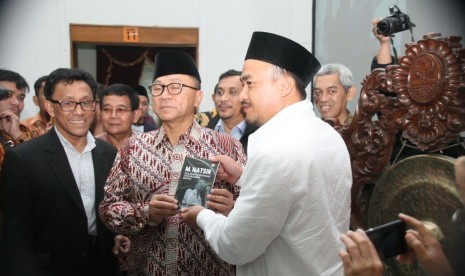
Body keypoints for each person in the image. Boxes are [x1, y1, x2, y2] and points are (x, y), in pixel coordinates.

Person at [181, 31, 352, 275]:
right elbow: (295, 192)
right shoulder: (327, 135)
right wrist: (243, 176)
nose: (242, 96)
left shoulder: (277, 151)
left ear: (284, 86)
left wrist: (202, 216)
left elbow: (235, 245)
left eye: (249, 83)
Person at [99, 50, 247, 275]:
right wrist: (147, 213)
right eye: (157, 88)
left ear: (198, 97)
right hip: (148, 269)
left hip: (210, 268)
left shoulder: (227, 147)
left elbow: (255, 209)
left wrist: (232, 209)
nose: (164, 95)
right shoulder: (133, 148)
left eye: (176, 87)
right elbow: (108, 209)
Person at [0, 68, 120, 275]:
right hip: (49, 268)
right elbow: (15, 236)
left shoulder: (108, 153)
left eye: (86, 102)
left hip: (101, 264)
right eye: (68, 103)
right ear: (50, 107)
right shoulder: (23, 158)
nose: (79, 111)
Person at [207, 69, 258, 153]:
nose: (223, 99)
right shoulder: (204, 130)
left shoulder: (258, 133)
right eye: (220, 92)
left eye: (233, 92)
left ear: (245, 96)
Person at [0, 69, 38, 171]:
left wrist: (16, 135)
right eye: (7, 95)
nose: (16, 102)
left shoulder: (27, 132)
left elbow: (39, 167)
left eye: (21, 98)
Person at [95, 83, 141, 149]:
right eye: (107, 109)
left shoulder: (146, 148)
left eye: (120, 110)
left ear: (136, 115)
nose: (113, 116)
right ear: (100, 114)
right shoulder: (92, 147)